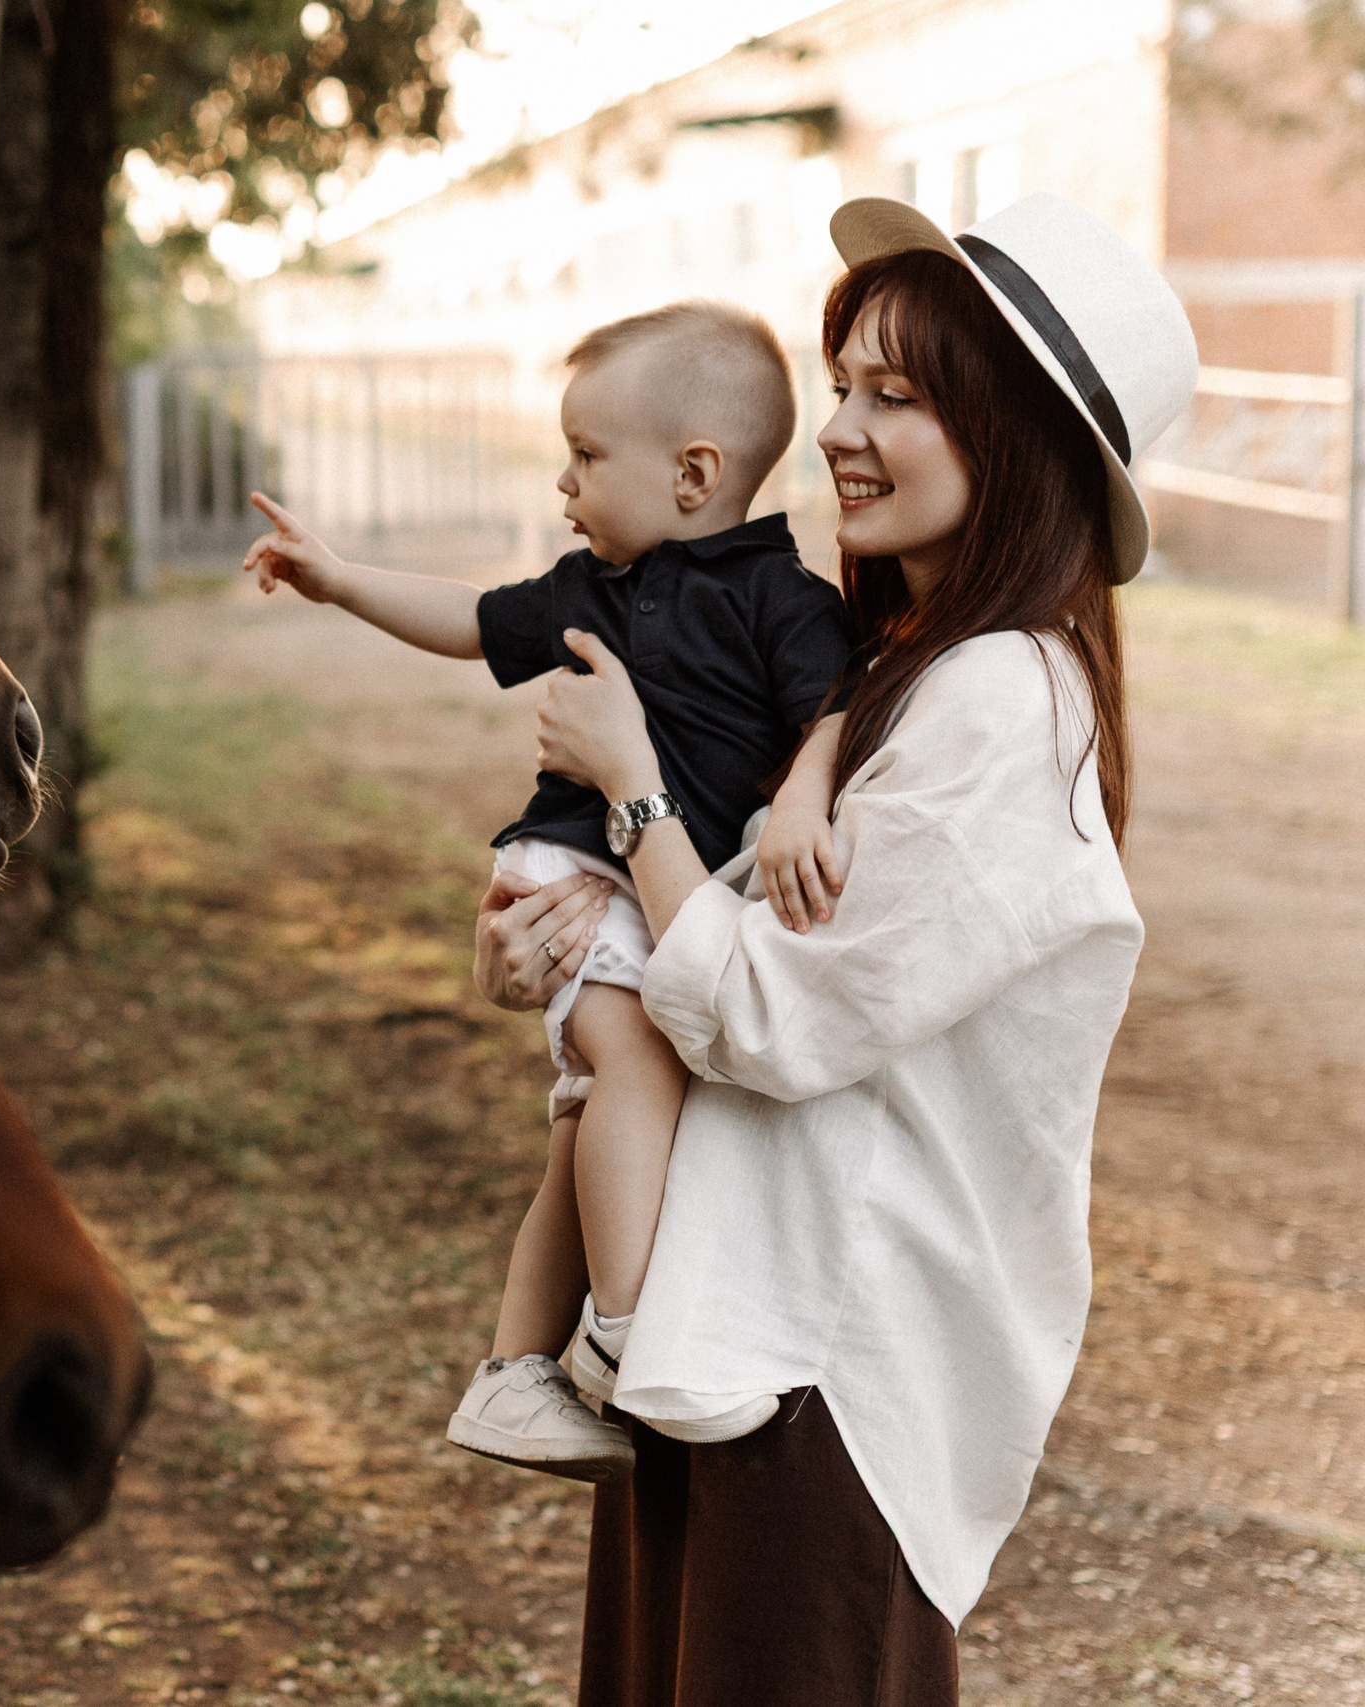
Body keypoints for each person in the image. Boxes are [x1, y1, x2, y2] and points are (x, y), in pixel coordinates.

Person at [475, 192, 1195, 1702]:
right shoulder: (890, 673)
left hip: (826, 1372)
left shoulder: (1004, 703)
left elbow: (773, 1018)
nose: (841, 432)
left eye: (899, 396)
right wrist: (575, 923)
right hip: (717, 1320)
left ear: (1016, 438)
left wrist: (634, 788)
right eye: (846, 386)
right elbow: (705, 940)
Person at [240, 300, 850, 1482]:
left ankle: (514, 1377)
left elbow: (831, 708)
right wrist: (339, 579)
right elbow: (471, 621)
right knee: (640, 1065)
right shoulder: (593, 585)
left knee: (584, 1125)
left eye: (584, 455)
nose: (562, 482)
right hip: (574, 867)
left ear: (693, 473)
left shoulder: (783, 600)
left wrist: (812, 795)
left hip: (631, 876)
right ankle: (625, 1333)